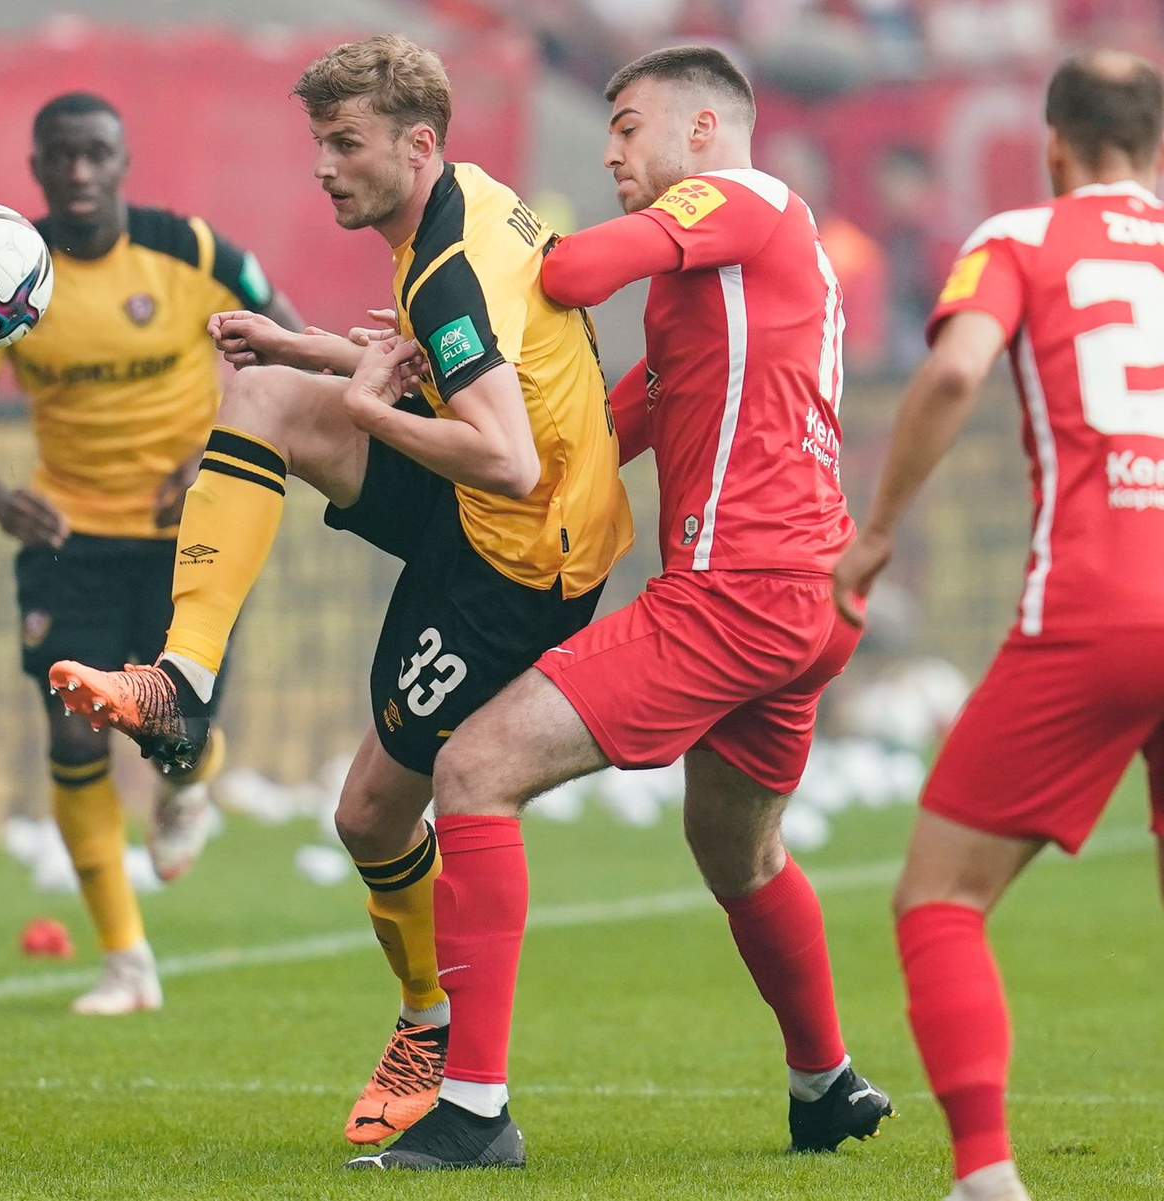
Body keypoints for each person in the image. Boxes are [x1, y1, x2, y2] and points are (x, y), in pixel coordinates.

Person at [47, 35, 632, 1153]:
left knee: (367, 814)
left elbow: (504, 456)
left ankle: (431, 1029)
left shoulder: (448, 264)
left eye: (345, 142)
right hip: (492, 511)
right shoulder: (466, 203)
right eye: (319, 141)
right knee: (263, 390)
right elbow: (444, 364)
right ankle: (184, 678)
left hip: (519, 566)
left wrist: (361, 411)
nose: (324, 165)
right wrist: (301, 345)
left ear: (417, 143)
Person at [346, 45, 894, 1171]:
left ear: (700, 132)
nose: (612, 153)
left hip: (738, 593)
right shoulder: (721, 295)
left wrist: (490, 252)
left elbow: (575, 274)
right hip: (807, 596)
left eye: (630, 128)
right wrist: (447, 394)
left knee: (472, 771)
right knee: (735, 847)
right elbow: (602, 426)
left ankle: (475, 1110)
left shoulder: (741, 198)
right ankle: (825, 1081)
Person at [832, 50, 1164, 1201]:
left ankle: (986, 1179)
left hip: (1099, 609)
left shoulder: (1021, 238)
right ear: (1158, 146)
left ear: (1055, 143)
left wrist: (875, 531)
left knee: (940, 895)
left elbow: (956, 371)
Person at [0, 92, 299, 1014]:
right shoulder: (4, 272)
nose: (78, 173)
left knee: (173, 743)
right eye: (60, 157)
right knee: (72, 732)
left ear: (123, 160)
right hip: (71, 536)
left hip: (194, 534)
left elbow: (293, 340)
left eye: (95, 154)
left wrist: (214, 450)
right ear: (35, 167)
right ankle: (125, 960)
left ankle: (194, 779)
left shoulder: (190, 249)